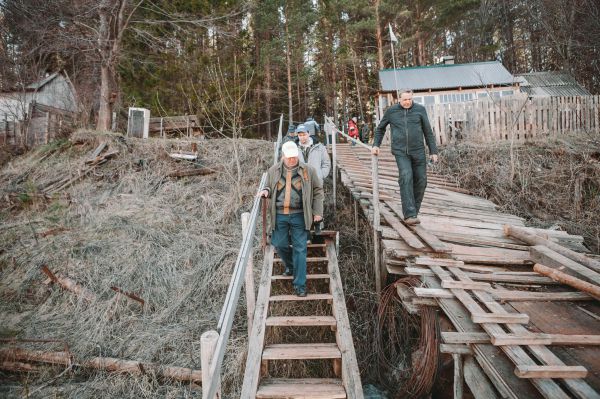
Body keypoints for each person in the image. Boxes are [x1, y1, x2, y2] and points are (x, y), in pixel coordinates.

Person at [259, 141, 324, 297]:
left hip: (300, 215)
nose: (292, 160)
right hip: (280, 214)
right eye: (289, 158)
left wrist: (317, 212)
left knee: (300, 249)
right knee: (279, 244)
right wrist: (265, 191)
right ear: (283, 157)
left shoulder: (308, 170)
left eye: (294, 157)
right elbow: (267, 185)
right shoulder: (273, 170)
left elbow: (318, 190)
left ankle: (300, 285)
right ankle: (291, 266)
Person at [371, 89, 438, 225]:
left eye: (409, 99)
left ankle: (413, 211)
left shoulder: (420, 110)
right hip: (400, 151)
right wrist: (376, 145)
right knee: (406, 176)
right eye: (404, 100)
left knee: (421, 181)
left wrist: (433, 151)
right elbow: (380, 128)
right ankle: (410, 214)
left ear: (412, 98)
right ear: (399, 100)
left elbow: (428, 132)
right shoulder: (392, 111)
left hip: (418, 151)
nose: (407, 102)